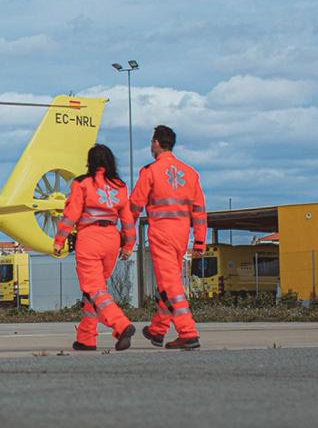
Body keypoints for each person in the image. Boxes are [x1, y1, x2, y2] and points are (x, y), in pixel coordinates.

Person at [129, 125, 207, 350]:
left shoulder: (150, 172)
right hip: (182, 235)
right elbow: (199, 211)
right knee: (168, 282)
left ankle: (188, 332)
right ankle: (157, 330)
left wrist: (127, 236)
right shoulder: (191, 173)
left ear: (155, 143)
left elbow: (134, 206)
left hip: (161, 233)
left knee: (171, 285)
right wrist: (200, 240)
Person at [53, 144, 137, 351]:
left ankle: (121, 325)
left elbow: (71, 214)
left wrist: (59, 240)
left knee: (94, 290)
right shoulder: (120, 186)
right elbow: (127, 220)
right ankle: (86, 337)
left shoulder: (82, 183)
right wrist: (128, 245)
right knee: (93, 292)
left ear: (90, 162)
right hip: (111, 239)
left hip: (89, 238)